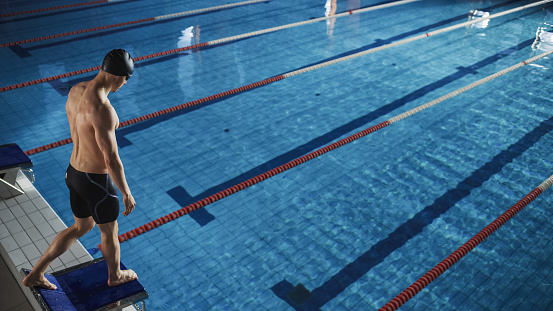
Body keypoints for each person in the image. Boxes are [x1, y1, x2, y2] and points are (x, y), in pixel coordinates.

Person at [23, 49, 138, 289]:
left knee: (81, 226)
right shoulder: (102, 108)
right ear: (118, 76)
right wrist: (126, 192)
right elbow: (111, 158)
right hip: (96, 181)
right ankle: (115, 275)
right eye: (126, 78)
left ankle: (36, 273)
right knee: (109, 231)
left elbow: (78, 132)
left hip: (73, 173)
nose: (125, 84)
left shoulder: (76, 90)